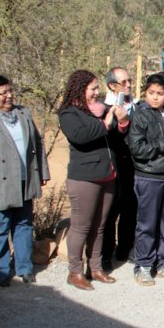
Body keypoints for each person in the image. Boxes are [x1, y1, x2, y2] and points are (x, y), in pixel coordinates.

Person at [0, 74, 50, 287]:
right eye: (3, 93)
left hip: (25, 181)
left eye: (10, 91)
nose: (9, 96)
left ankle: (24, 267)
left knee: (24, 225)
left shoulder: (23, 112)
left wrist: (42, 172)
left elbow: (38, 143)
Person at [59, 70, 128, 290]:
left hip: (108, 175)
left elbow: (117, 137)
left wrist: (122, 122)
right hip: (84, 178)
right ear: (80, 89)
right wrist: (106, 123)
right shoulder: (69, 113)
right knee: (81, 226)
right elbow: (81, 136)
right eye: (92, 89)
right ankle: (75, 271)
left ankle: (96, 268)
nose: (97, 92)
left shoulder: (103, 110)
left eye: (98, 88)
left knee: (100, 226)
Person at [126, 73, 164, 286]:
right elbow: (137, 148)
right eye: (151, 93)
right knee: (147, 223)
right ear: (145, 93)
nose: (155, 97)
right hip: (149, 176)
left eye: (160, 93)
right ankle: (144, 265)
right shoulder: (141, 115)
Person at [101, 66, 137, 269]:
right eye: (124, 82)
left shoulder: (137, 105)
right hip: (112, 167)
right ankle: (106, 254)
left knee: (130, 210)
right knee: (110, 212)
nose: (129, 85)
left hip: (133, 167)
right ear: (112, 86)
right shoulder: (102, 107)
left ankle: (125, 250)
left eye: (130, 81)